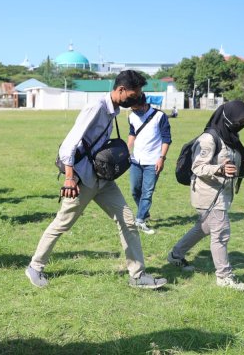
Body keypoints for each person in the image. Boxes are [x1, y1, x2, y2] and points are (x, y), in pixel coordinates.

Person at [25, 70, 167, 289]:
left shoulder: (114, 110)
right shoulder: (96, 108)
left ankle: (137, 276)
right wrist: (69, 179)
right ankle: (35, 267)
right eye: (134, 93)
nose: (137, 98)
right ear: (121, 90)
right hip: (82, 180)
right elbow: (68, 146)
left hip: (102, 178)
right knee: (62, 223)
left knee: (128, 220)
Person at [167, 101, 244, 291]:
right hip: (207, 194)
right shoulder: (208, 139)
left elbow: (238, 155)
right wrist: (219, 169)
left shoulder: (231, 136)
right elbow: (197, 167)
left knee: (203, 228)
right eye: (240, 120)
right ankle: (224, 276)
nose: (242, 124)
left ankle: (175, 255)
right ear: (228, 118)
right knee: (221, 232)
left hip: (222, 192)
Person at [127, 94, 172, 234]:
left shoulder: (160, 116)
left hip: (153, 161)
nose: (134, 111)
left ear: (143, 104)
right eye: (132, 108)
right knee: (135, 190)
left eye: (136, 108)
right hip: (136, 160)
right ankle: (144, 213)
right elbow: (132, 133)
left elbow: (166, 138)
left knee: (147, 192)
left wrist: (161, 158)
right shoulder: (131, 116)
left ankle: (140, 220)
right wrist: (127, 150)